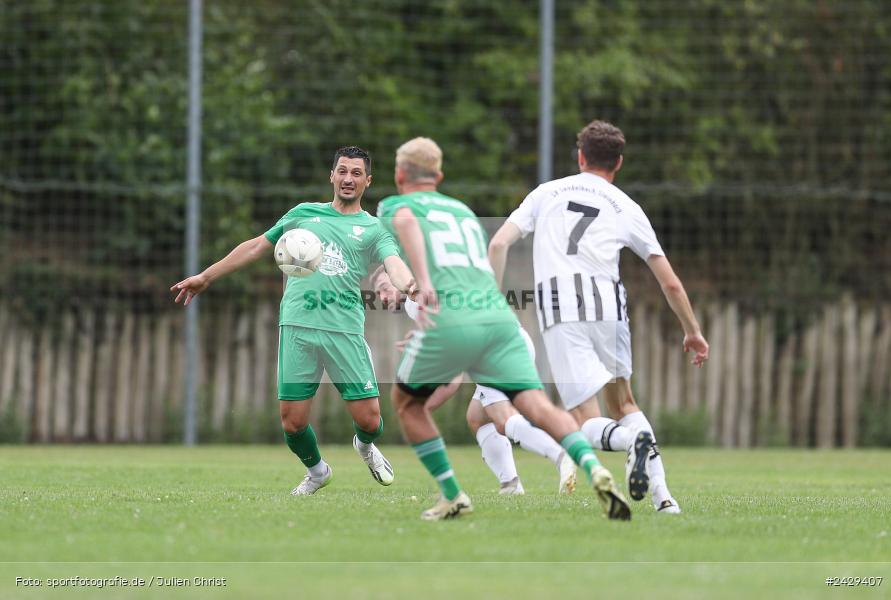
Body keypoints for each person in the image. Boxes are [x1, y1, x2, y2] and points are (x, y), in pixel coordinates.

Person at [377, 137, 631, 521]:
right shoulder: (461, 211)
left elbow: (409, 225)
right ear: (439, 176)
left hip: (456, 320)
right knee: (536, 406)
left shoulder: (396, 205)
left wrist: (421, 282)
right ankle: (594, 467)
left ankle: (452, 495)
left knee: (407, 404)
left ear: (399, 175)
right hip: (498, 320)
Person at [488, 121, 710, 514]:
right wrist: (692, 331)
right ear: (619, 163)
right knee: (625, 405)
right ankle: (664, 499)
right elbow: (671, 283)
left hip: (562, 311)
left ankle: (628, 444)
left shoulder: (547, 193)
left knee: (583, 418)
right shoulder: (627, 206)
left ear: (580, 157)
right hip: (610, 307)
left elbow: (499, 241)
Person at [171, 146, 416, 496]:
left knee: (371, 422)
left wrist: (408, 284)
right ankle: (317, 472)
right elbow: (257, 246)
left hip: (343, 330)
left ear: (368, 181)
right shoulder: (303, 215)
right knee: (292, 422)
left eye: (356, 173)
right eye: (342, 171)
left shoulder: (373, 229)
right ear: (331, 176)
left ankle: (364, 447)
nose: (348, 179)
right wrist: (206, 277)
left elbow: (393, 262)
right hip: (297, 327)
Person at [372, 272, 577, 496]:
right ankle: (511, 484)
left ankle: (561, 455)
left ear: (399, 275)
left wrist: (419, 406)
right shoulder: (419, 301)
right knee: (478, 418)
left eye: (384, 287)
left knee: (502, 418)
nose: (381, 297)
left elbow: (454, 369)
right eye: (377, 292)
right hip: (509, 340)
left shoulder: (419, 291)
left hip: (495, 348)